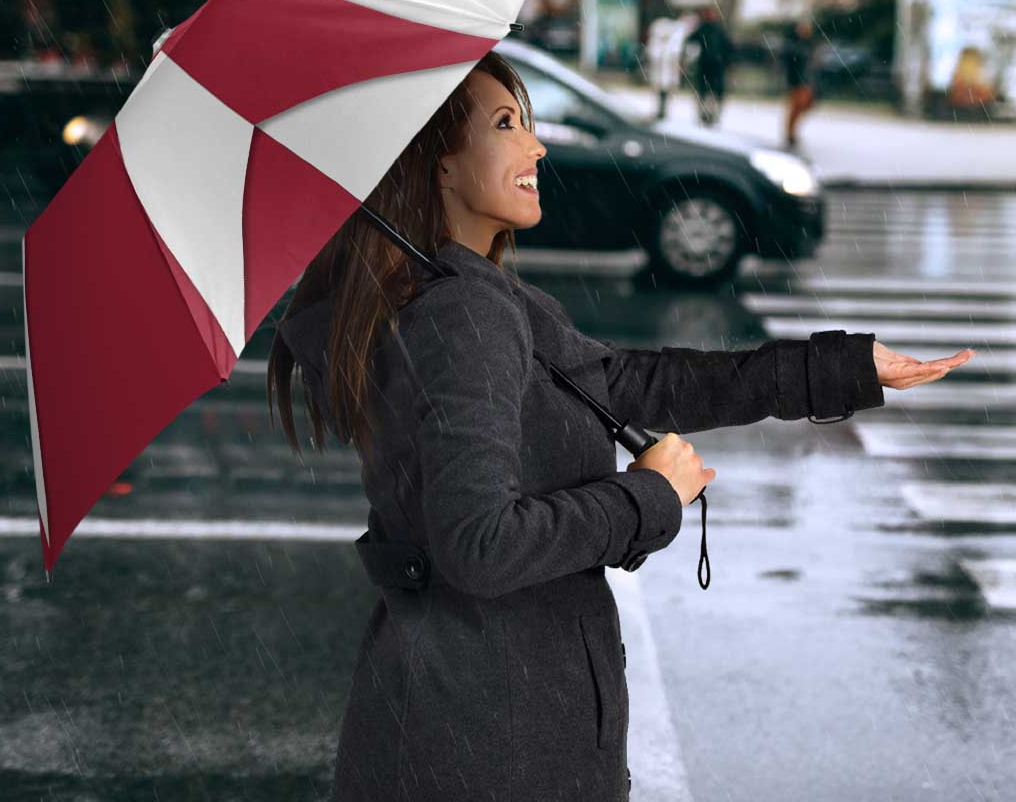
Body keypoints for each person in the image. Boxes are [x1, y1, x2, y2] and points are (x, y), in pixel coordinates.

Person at [267, 49, 967, 802]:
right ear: (439, 163)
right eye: (505, 125)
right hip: (492, 740)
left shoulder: (465, 296)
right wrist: (649, 497)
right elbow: (479, 545)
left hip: (469, 718)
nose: (536, 147)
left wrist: (841, 369)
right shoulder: (463, 314)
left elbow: (631, 383)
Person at [684, 4, 734, 127]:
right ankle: (705, 115)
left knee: (711, 93)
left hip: (714, 67)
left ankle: (711, 115)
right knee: (706, 92)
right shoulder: (706, 29)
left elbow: (728, 48)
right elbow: (690, 41)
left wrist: (727, 62)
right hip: (708, 66)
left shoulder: (716, 30)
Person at [782, 17, 818, 148]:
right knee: (796, 107)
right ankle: (790, 133)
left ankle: (791, 132)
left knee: (804, 105)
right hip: (797, 81)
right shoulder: (794, 45)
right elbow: (791, 64)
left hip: (806, 81)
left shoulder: (808, 44)